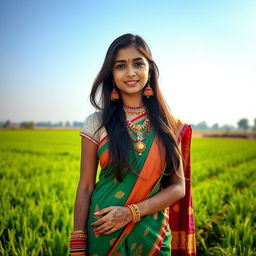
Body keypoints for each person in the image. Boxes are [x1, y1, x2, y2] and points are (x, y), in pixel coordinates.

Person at [69, 33, 196, 256]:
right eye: (120, 66)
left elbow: (178, 187)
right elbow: (86, 185)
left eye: (138, 63)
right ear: (111, 73)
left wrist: (130, 213)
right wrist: (78, 242)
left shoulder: (169, 125)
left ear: (150, 70)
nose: (130, 72)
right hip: (103, 231)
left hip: (152, 236)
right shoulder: (96, 122)